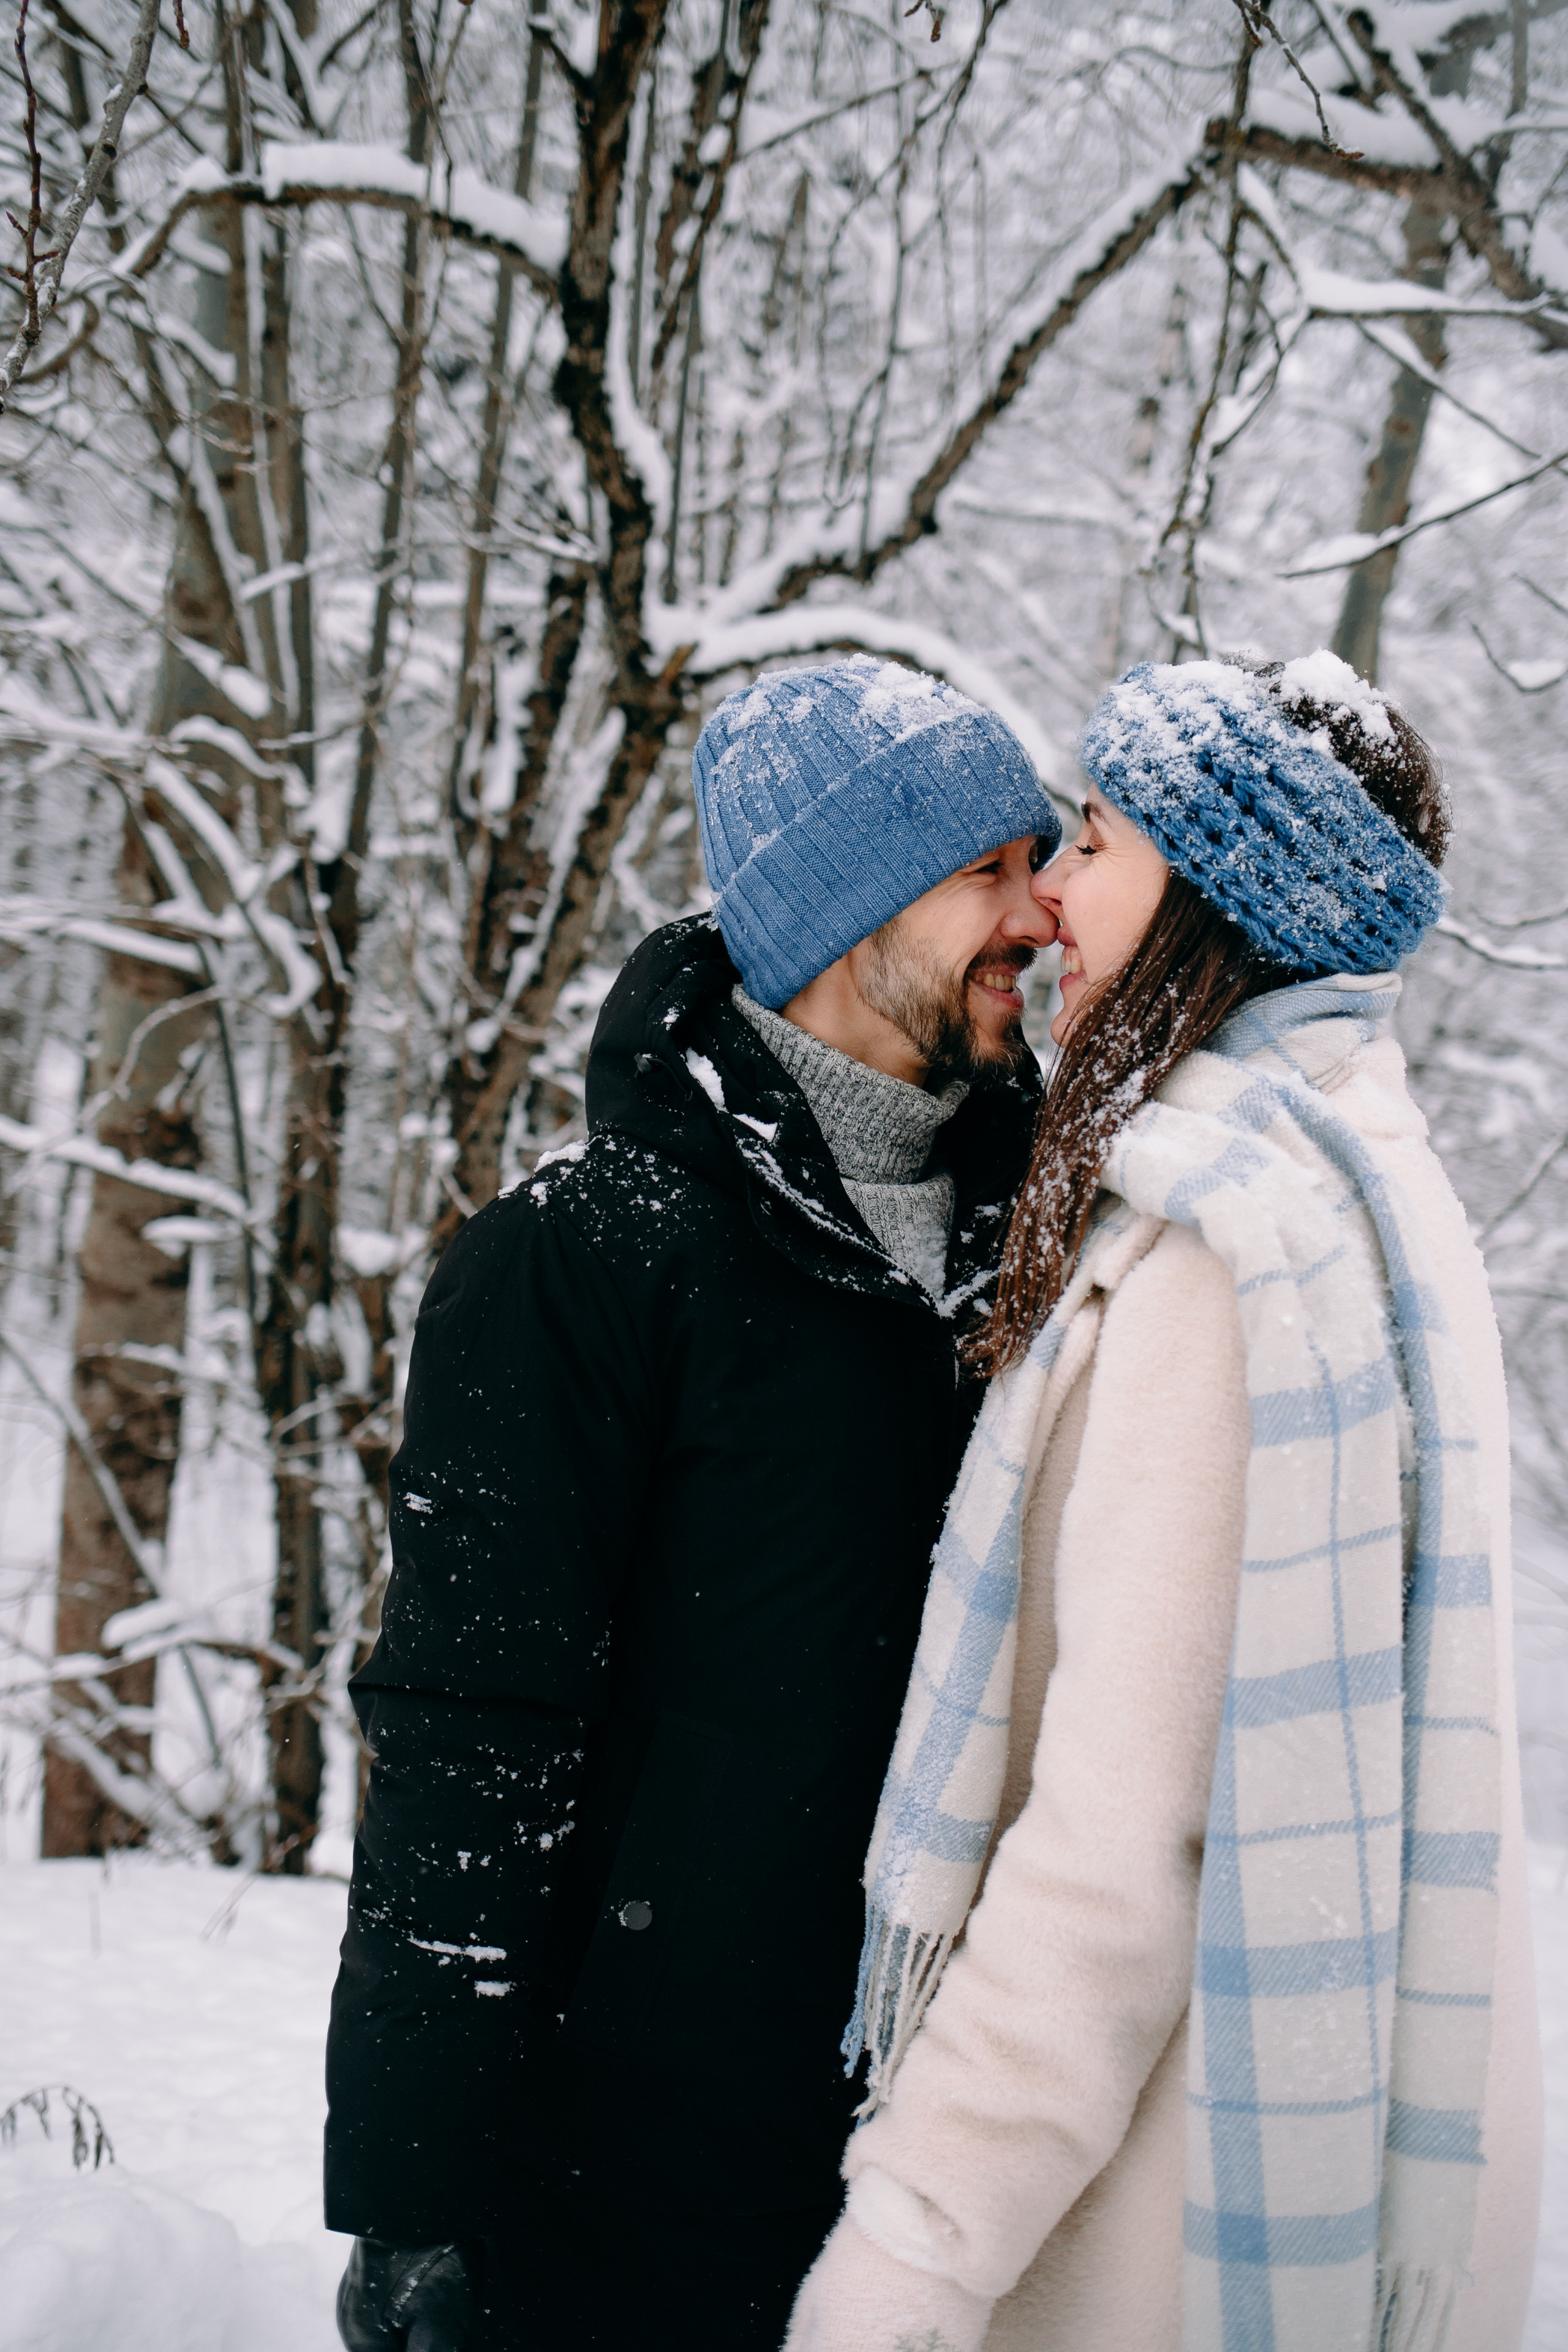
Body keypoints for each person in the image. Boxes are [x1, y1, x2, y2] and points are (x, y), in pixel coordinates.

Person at [787, 651, 1543, 2352]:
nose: (1045, 895)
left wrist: (911, 2244)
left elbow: (1123, 1854)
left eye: (1098, 843)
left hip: (1160, 2210)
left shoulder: (1228, 1251)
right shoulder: (1370, 1182)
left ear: (1222, 896)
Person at [326, 656, 1063, 2351]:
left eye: (1043, 862)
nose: (1040, 915)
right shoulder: (584, 1258)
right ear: (842, 912)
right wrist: (413, 2186)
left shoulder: (1042, 1237)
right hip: (638, 2163)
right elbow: (469, 1732)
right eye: (989, 872)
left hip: (967, 2152)